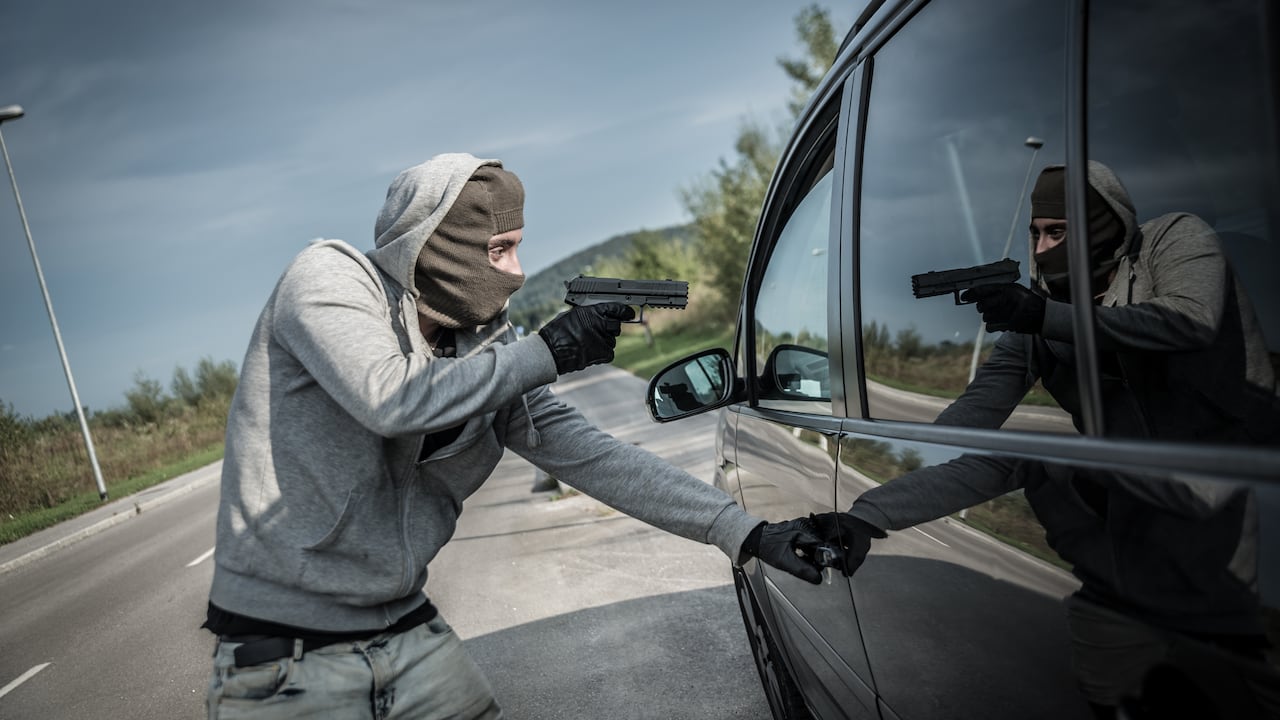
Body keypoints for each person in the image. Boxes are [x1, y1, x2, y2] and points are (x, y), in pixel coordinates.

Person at [203, 153, 829, 719]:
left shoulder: (483, 346)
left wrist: (739, 529)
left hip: (405, 628)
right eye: (499, 249)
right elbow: (392, 400)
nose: (517, 273)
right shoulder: (326, 280)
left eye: (519, 247)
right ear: (437, 246)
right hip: (286, 656)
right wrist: (549, 348)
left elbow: (592, 455)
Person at [809, 161, 1280, 717]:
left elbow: (1191, 320)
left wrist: (1044, 314)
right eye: (1035, 234)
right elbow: (969, 433)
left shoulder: (1173, 239)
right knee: (1113, 684)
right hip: (1135, 539)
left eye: (1057, 232)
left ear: (1101, 225)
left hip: (1248, 506)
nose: (1041, 249)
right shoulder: (1037, 327)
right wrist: (871, 511)